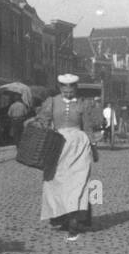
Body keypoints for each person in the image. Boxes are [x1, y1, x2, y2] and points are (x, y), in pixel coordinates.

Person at [34, 74, 100, 241]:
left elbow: (88, 127)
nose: (68, 91)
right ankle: (61, 217)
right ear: (60, 87)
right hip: (58, 145)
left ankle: (75, 219)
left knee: (78, 182)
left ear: (76, 88)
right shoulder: (52, 102)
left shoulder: (82, 104)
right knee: (57, 182)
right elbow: (43, 120)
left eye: (72, 87)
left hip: (79, 146)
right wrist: (37, 126)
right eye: (65, 87)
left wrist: (93, 148)